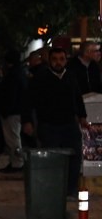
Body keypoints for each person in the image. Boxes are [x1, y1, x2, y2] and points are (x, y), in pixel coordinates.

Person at [23, 45, 88, 193]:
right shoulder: (41, 78)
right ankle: (53, 190)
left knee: (75, 156)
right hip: (49, 125)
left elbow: (77, 98)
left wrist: (82, 116)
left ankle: (70, 189)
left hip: (69, 125)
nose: (58, 63)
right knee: (52, 159)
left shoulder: (70, 76)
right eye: (55, 59)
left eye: (61, 59)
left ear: (66, 60)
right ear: (49, 61)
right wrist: (27, 121)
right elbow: (28, 101)